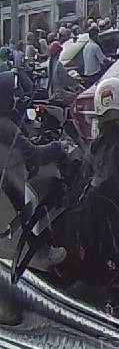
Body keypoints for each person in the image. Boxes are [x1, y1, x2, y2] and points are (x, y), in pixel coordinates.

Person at [0, 70, 70, 271]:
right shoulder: (6, 127)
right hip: (12, 182)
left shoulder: (6, 122)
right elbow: (35, 156)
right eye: (12, 95)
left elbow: (23, 148)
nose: (16, 98)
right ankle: (43, 254)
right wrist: (58, 147)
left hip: (8, 179)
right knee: (48, 192)